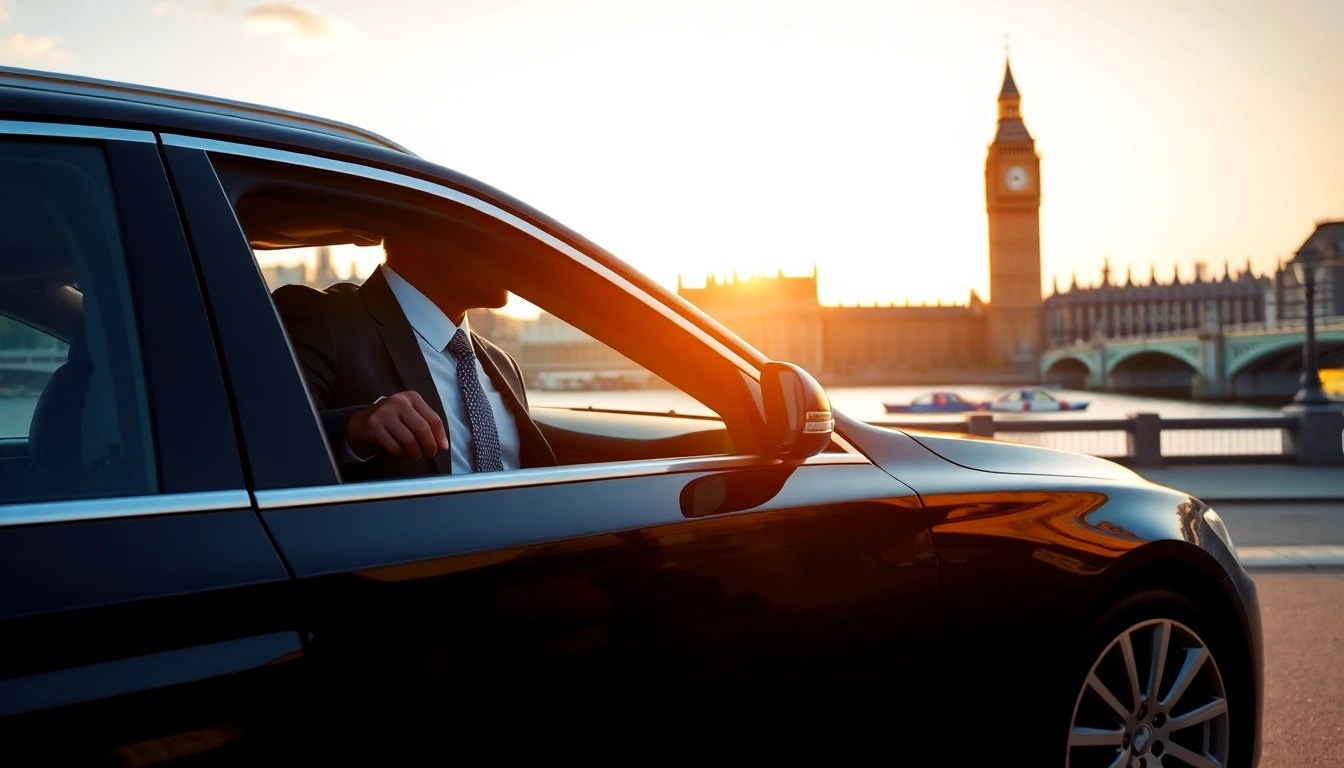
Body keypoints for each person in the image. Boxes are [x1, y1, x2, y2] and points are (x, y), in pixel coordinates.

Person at [272, 238, 555, 481]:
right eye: (488, 234)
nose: (511, 251)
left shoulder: (503, 364)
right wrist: (355, 427)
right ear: (418, 235)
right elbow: (269, 442)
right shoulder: (319, 318)